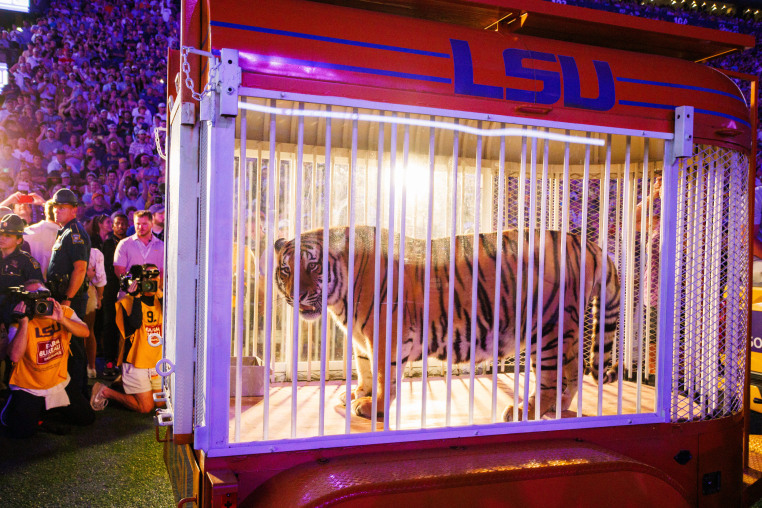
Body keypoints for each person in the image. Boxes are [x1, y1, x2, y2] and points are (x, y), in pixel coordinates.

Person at [0, 279, 94, 438]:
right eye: (34, 299)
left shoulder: (62, 311)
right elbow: (14, 356)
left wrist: (61, 319)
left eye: (43, 296)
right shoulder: (20, 321)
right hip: (29, 385)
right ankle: (12, 406)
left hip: (58, 381)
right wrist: (23, 324)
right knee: (21, 433)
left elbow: (85, 332)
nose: (40, 302)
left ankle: (44, 410)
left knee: (87, 418)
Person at [90, 264, 162, 413]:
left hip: (156, 360)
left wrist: (160, 293)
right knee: (146, 407)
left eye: (155, 276)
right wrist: (136, 296)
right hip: (135, 361)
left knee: (161, 404)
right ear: (138, 281)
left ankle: (122, 383)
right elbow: (134, 324)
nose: (152, 281)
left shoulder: (162, 299)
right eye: (147, 278)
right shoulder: (127, 301)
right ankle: (105, 391)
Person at [46, 188, 90, 398]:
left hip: (71, 298)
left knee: (74, 348)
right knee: (67, 346)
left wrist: (68, 300)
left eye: (62, 207)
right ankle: (72, 393)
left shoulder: (74, 233)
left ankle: (76, 396)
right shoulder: (64, 230)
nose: (57, 211)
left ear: (74, 210)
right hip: (63, 297)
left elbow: (80, 269)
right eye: (56, 207)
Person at [101, 212, 128, 378]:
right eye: (117, 223)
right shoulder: (108, 244)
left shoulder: (131, 242)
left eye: (124, 224)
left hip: (127, 288)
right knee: (109, 325)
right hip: (110, 288)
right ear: (112, 225)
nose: (121, 226)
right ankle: (109, 361)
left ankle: (124, 362)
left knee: (126, 326)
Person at [113, 210, 164, 282]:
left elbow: (163, 272)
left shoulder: (161, 246)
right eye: (138, 224)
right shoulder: (124, 244)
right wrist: (131, 286)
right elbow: (119, 270)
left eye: (144, 224)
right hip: (130, 291)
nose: (140, 227)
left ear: (152, 224)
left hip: (154, 291)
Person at [23, 200, 59, 279]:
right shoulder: (65, 234)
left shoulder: (26, 232)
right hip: (55, 284)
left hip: (30, 282)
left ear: (45, 213)